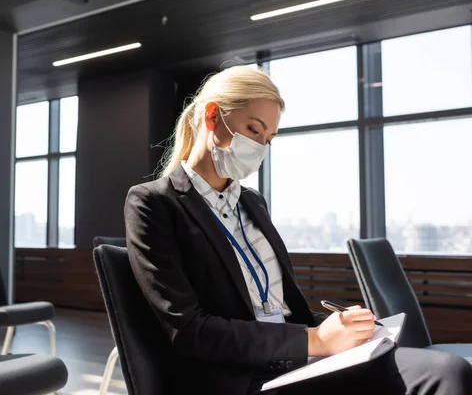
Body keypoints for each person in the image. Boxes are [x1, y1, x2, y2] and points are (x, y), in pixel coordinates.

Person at [123, 65, 472, 395]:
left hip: (298, 359)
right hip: (240, 377)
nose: (260, 147)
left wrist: (342, 329)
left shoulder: (252, 203)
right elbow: (190, 331)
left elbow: (287, 312)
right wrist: (315, 341)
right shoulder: (153, 203)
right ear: (213, 117)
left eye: (269, 138)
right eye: (253, 130)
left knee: (448, 370)